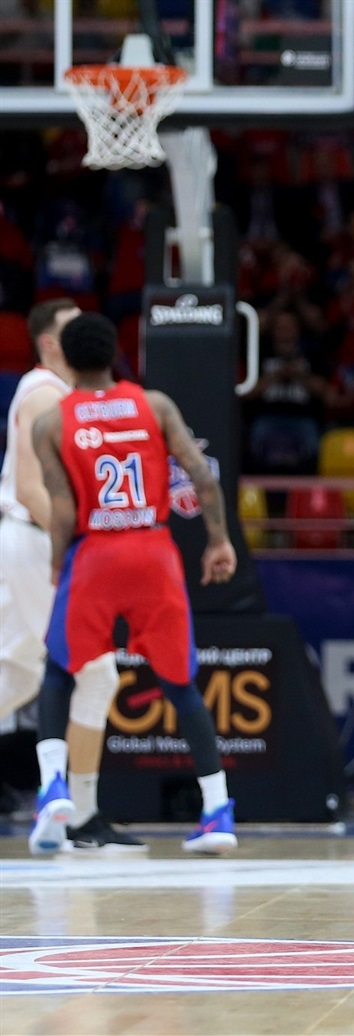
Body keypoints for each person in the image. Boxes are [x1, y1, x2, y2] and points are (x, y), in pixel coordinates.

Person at [28, 313, 240, 857]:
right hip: (152, 550)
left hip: (95, 552)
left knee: (59, 669)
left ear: (67, 359)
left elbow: (61, 508)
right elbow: (202, 475)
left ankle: (53, 785)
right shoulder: (155, 405)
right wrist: (218, 540)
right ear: (114, 353)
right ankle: (217, 810)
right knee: (180, 683)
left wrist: (57, 563)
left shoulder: (51, 422)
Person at [0, 300, 128, 852]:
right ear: (50, 343)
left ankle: (77, 815)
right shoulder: (44, 394)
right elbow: (32, 489)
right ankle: (83, 816)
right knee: (97, 673)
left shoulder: (64, 393)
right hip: (37, 542)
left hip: (27, 541)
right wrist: (77, 544)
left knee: (14, 675)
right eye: (71, 328)